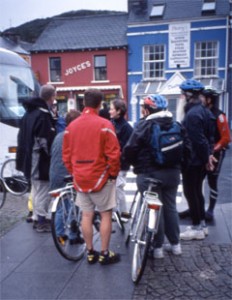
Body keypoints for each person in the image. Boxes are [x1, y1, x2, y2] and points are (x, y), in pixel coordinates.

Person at [123, 94, 190, 258]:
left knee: (155, 209)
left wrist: (134, 165)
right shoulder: (177, 125)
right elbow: (188, 149)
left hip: (149, 175)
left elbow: (129, 149)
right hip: (172, 174)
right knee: (170, 207)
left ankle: (158, 248)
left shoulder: (144, 125)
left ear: (146, 110)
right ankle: (176, 245)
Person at [62, 88, 121, 265]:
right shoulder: (105, 124)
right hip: (101, 176)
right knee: (105, 214)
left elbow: (66, 155)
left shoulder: (71, 126)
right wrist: (113, 174)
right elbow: (114, 154)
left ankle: (90, 252)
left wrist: (74, 172)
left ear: (84, 103)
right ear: (99, 104)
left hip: (80, 177)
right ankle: (104, 252)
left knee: (86, 216)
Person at [179, 79, 216, 241]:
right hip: (200, 160)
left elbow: (198, 140)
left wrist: (206, 157)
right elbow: (210, 138)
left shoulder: (193, 114)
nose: (181, 97)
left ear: (188, 95)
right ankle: (201, 224)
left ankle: (196, 227)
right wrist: (208, 156)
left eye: (182, 94)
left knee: (190, 192)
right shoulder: (205, 111)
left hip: (192, 160)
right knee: (198, 192)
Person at [16, 84, 57, 233]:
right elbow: (44, 140)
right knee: (43, 190)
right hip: (39, 161)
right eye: (54, 96)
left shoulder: (29, 113)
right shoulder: (42, 114)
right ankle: (41, 221)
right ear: (51, 97)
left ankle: (36, 217)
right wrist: (51, 155)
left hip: (29, 159)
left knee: (36, 189)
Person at [49, 109, 84, 244]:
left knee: (60, 207)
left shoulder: (59, 136)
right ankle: (74, 235)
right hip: (68, 174)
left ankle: (60, 234)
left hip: (54, 174)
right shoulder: (74, 135)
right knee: (74, 205)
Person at [201, 86, 231, 221]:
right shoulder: (202, 112)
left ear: (209, 100)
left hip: (216, 153)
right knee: (197, 180)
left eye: (203, 97)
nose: (201, 99)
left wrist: (213, 149)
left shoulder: (220, 116)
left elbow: (226, 138)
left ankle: (211, 209)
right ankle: (196, 208)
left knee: (212, 180)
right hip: (204, 150)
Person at [109, 98, 133, 217]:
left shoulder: (126, 127)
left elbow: (126, 147)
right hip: (112, 162)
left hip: (121, 163)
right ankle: (116, 212)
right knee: (113, 187)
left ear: (119, 111)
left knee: (118, 187)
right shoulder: (112, 123)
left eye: (112, 109)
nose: (109, 111)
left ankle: (123, 211)